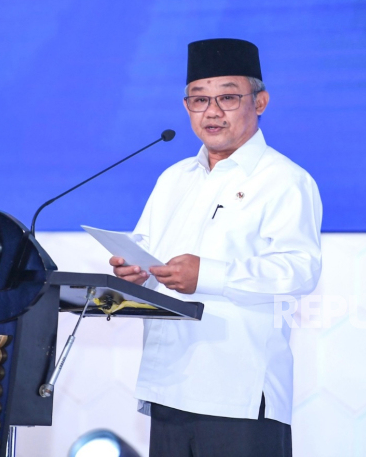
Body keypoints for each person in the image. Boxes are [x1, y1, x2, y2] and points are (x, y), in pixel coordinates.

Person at [109, 38, 322, 457]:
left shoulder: (284, 180)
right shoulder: (174, 179)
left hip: (238, 394)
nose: (211, 112)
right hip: (168, 385)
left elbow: (300, 270)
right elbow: (147, 254)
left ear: (260, 102)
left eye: (227, 97)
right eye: (199, 99)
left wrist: (206, 274)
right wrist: (134, 272)